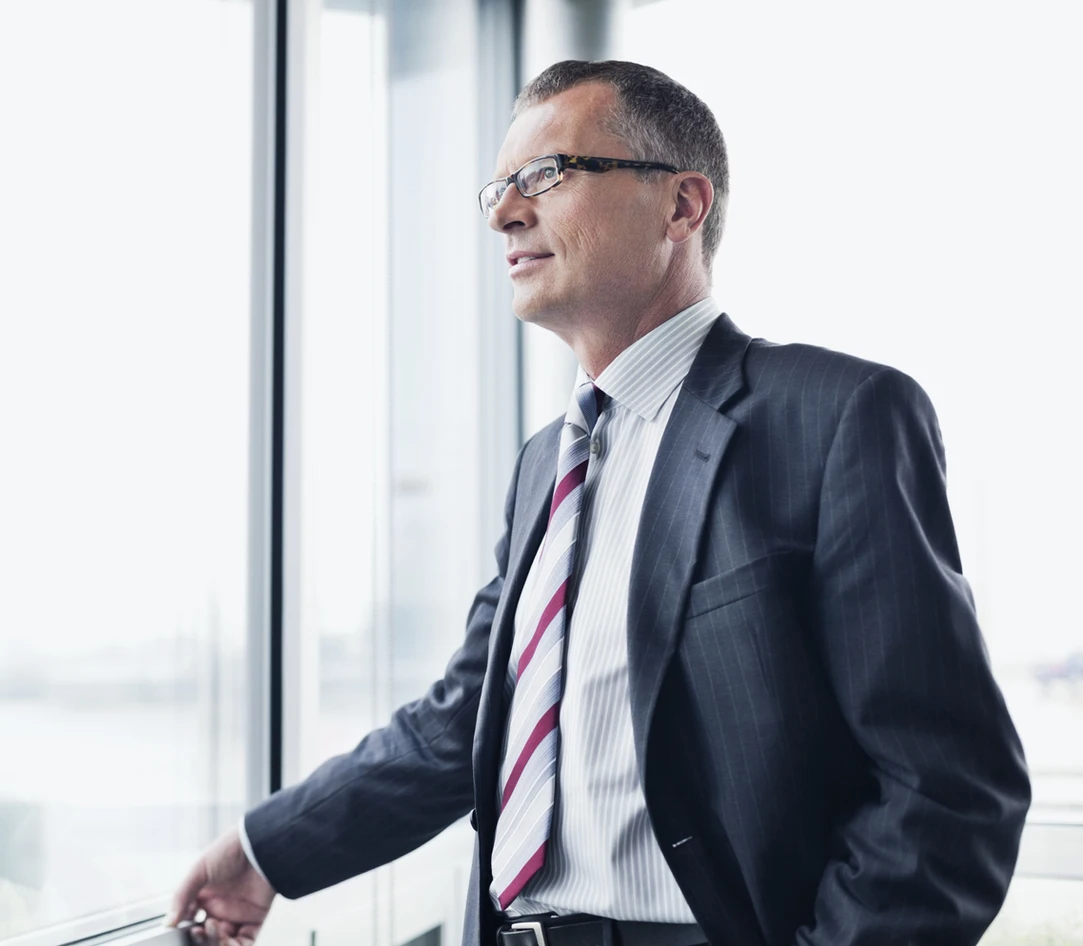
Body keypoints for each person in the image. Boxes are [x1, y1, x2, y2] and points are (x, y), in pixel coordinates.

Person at [165, 59, 1030, 946]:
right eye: (496, 189)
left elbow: (946, 787)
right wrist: (262, 850)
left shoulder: (833, 415)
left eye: (545, 175)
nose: (505, 211)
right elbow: (466, 725)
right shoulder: (546, 462)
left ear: (680, 207)